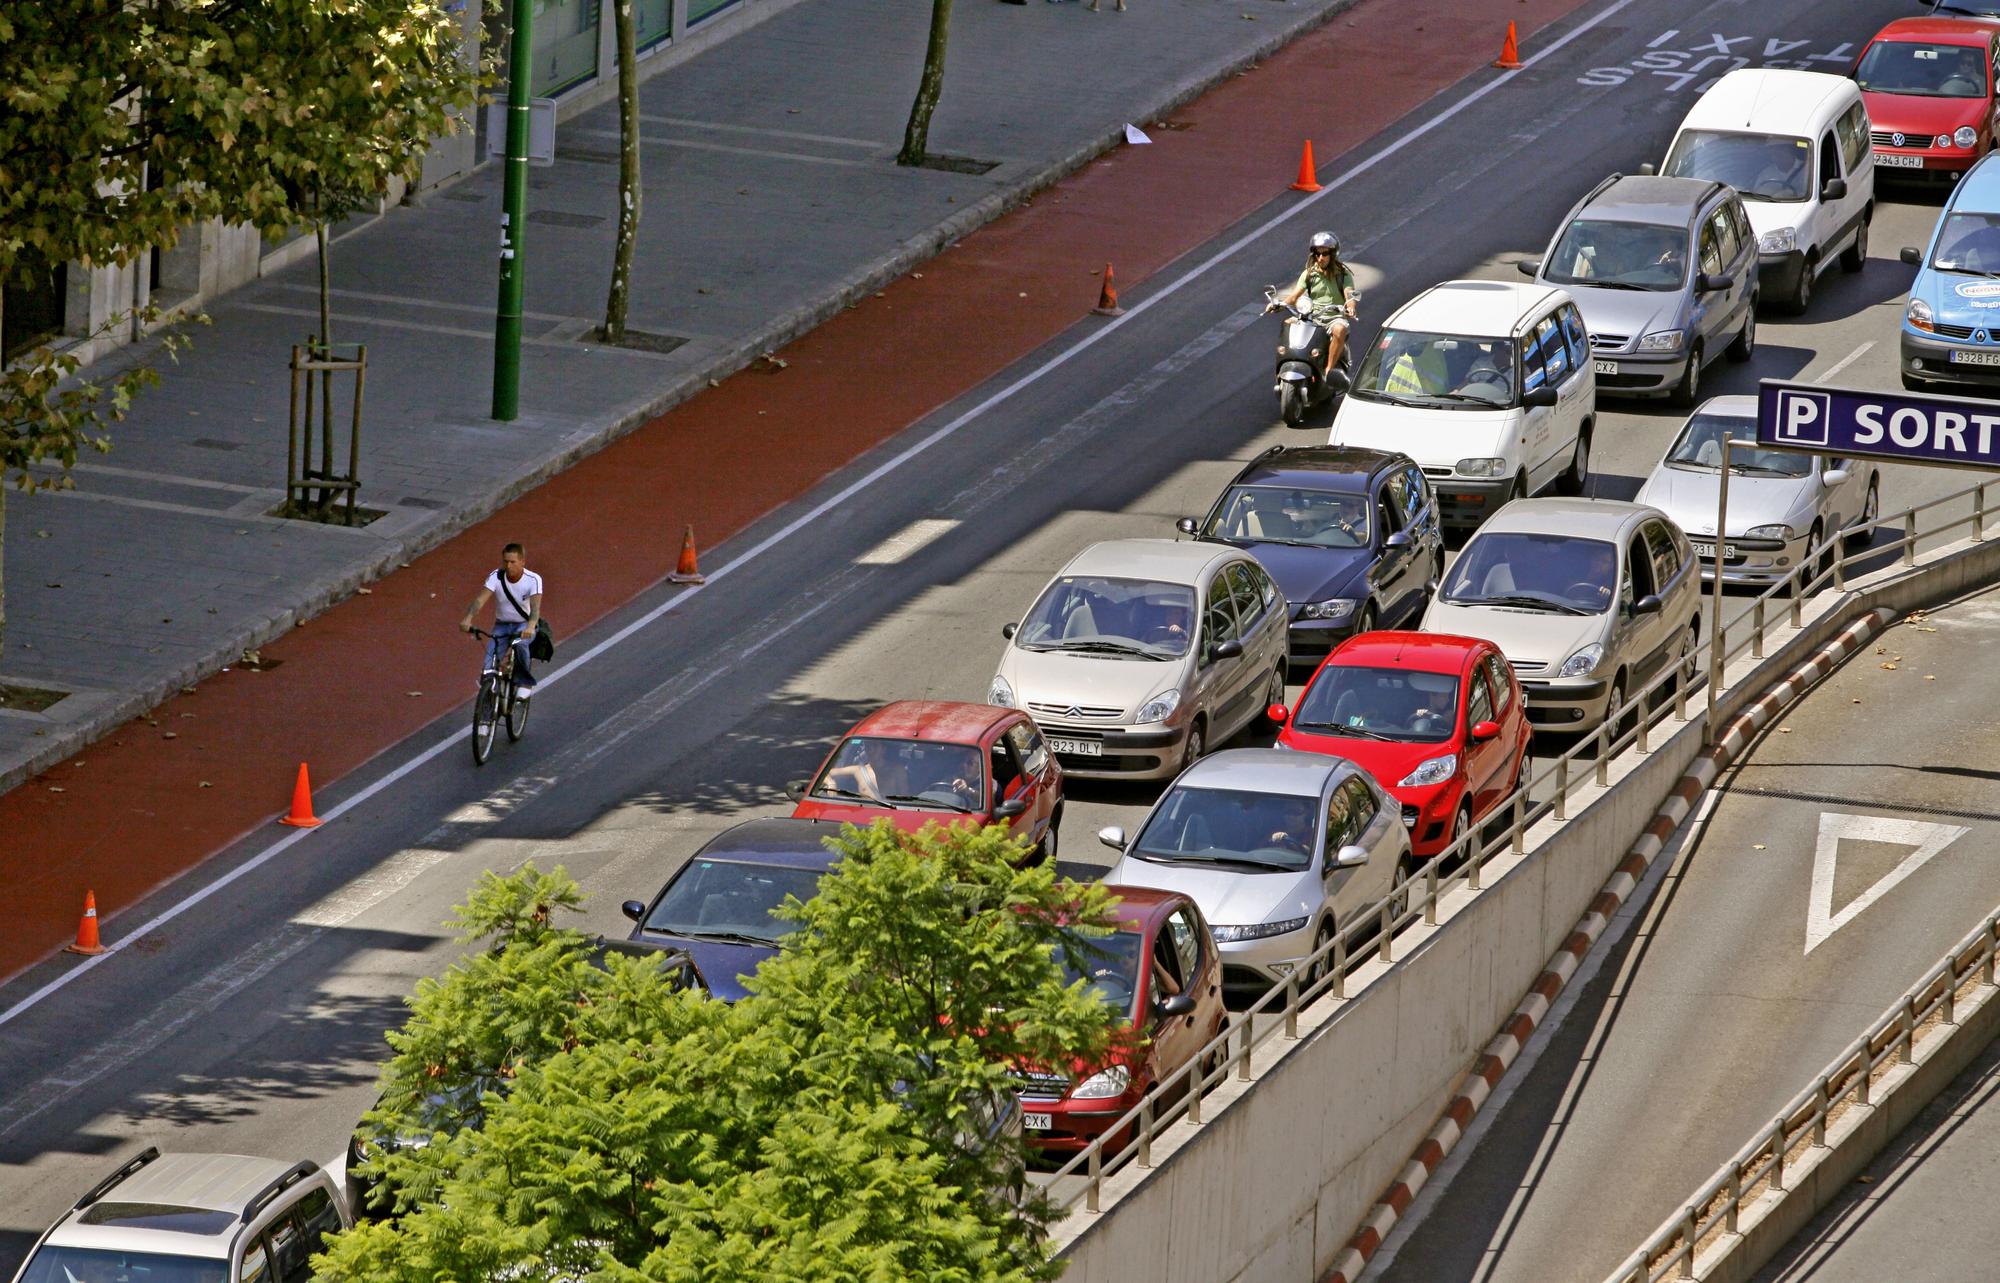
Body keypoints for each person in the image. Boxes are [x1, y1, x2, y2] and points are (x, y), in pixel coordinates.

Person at [1266, 231, 1359, 379]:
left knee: (1340, 330)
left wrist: (1351, 306)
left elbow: (1349, 293)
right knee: (1288, 324)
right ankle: (1285, 365)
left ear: (1333, 254)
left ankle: (1328, 371)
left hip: (1333, 317)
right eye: (1317, 253)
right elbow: (1294, 296)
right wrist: (1278, 304)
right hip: (1312, 316)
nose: (1320, 257)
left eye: (1325, 253)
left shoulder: (1343, 274)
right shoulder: (1309, 274)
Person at [459, 542, 543, 696]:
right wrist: (468, 618)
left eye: (513, 562)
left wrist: (530, 627)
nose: (508, 566)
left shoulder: (533, 579)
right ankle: (486, 713)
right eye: (505, 561)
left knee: (520, 645)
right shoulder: (496, 576)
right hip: (502, 625)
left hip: (523, 625)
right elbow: (480, 600)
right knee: (488, 668)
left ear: (522, 561)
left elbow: (535, 609)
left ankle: (524, 682)